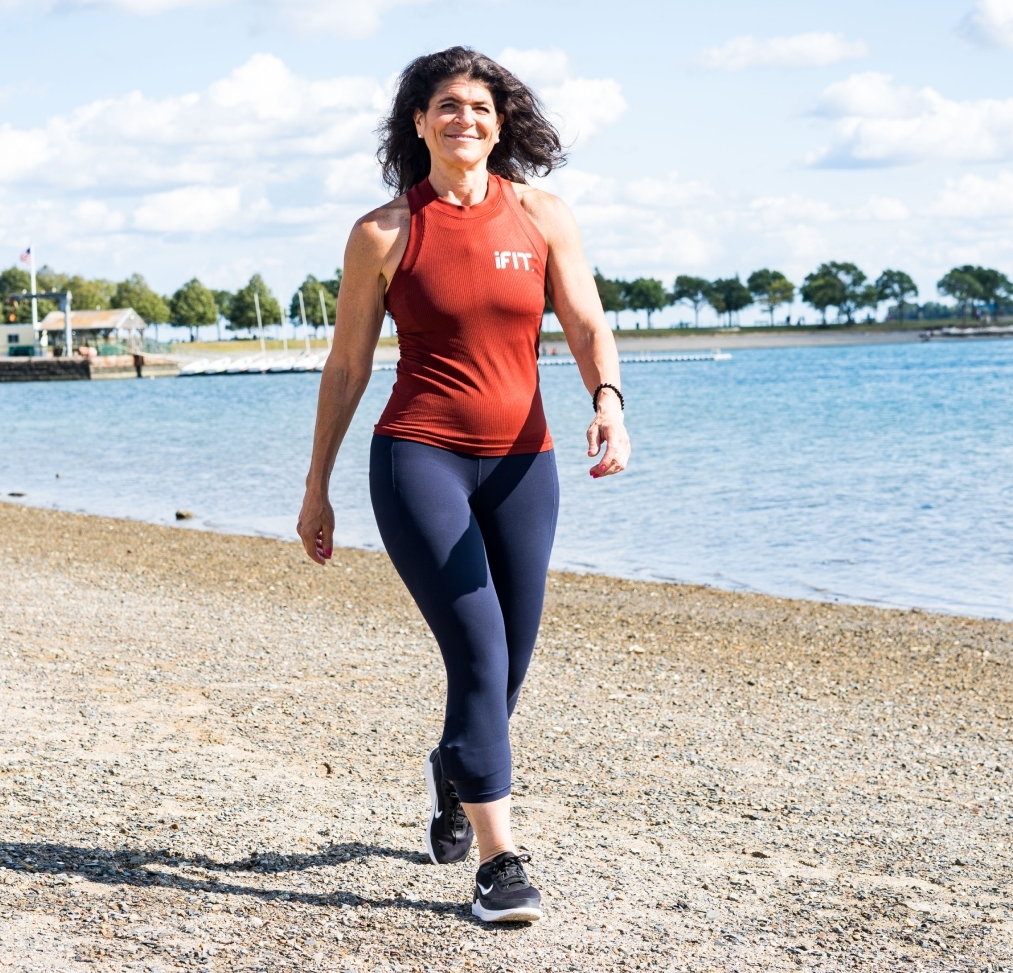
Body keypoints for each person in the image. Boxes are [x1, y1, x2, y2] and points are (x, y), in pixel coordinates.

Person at [296, 46, 629, 923]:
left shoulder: (543, 215)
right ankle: (500, 862)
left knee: (508, 660)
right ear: (418, 121)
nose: (464, 120)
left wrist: (609, 401)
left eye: (480, 107)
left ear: (501, 121)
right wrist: (317, 485)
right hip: (419, 459)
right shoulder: (383, 233)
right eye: (447, 106)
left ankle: (456, 768)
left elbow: (588, 319)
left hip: (526, 462)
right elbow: (347, 366)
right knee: (479, 651)